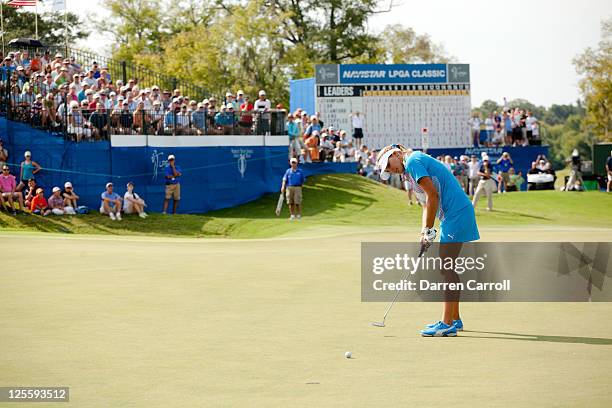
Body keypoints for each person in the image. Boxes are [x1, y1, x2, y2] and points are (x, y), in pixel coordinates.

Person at [376, 144, 479, 337]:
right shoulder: (408, 173)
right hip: (452, 216)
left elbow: (434, 195)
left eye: (389, 165)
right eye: (388, 171)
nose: (391, 170)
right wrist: (424, 232)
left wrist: (430, 229)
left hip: (456, 214)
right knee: (447, 268)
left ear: (396, 154)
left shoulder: (414, 161)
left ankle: (447, 324)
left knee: (446, 268)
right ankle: (454, 319)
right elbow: (425, 204)